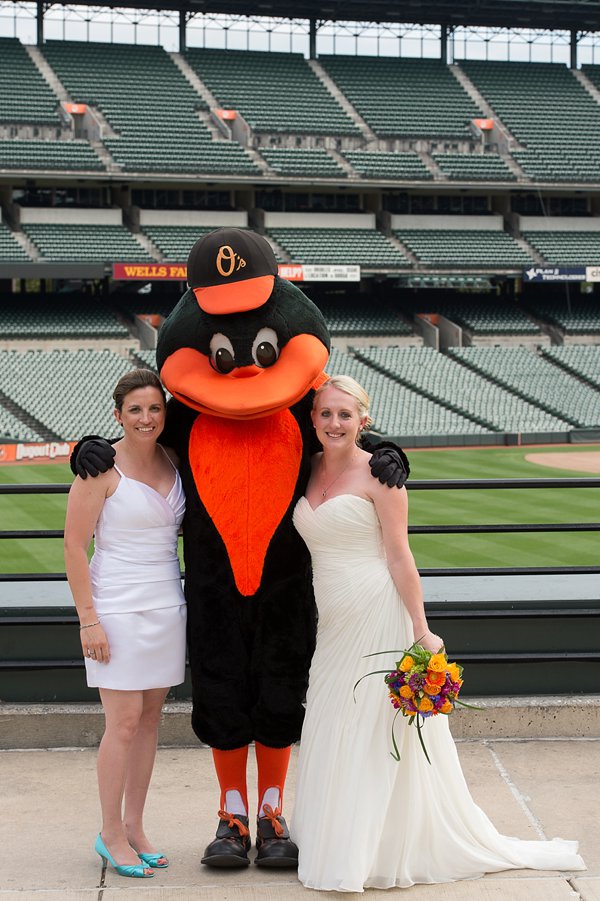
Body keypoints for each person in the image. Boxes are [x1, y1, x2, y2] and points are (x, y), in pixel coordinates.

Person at [290, 375, 585, 893]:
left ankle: (368, 851)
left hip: (377, 610)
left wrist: (422, 631)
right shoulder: (304, 468)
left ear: (365, 420)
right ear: (311, 418)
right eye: (325, 413)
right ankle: (332, 836)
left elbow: (401, 555)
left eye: (344, 414)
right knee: (331, 719)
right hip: (333, 622)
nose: (334, 423)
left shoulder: (381, 475)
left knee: (373, 731)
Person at [64, 368, 187, 879]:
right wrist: (87, 620)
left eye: (154, 408)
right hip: (114, 603)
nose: (145, 417)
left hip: (167, 600)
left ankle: (134, 826)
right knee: (124, 723)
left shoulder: (176, 458)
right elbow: (74, 545)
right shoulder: (98, 468)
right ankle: (110, 832)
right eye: (135, 409)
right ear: (118, 415)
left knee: (151, 721)